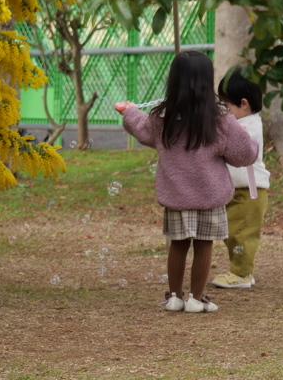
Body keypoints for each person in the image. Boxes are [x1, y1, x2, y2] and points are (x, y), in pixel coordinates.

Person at [114, 51, 257, 313]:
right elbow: (243, 155)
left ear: (173, 80)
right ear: (207, 81)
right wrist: (251, 143)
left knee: (178, 245)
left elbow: (142, 128)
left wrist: (130, 112)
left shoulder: (162, 117)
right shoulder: (220, 120)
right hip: (209, 196)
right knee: (204, 245)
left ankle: (174, 297)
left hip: (176, 195)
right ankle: (197, 298)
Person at [212, 66, 270, 289]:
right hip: (238, 190)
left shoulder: (250, 126)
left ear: (243, 104)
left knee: (242, 234)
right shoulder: (240, 122)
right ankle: (241, 270)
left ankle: (241, 275)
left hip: (250, 190)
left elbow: (229, 141)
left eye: (226, 106)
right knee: (232, 232)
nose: (223, 112)